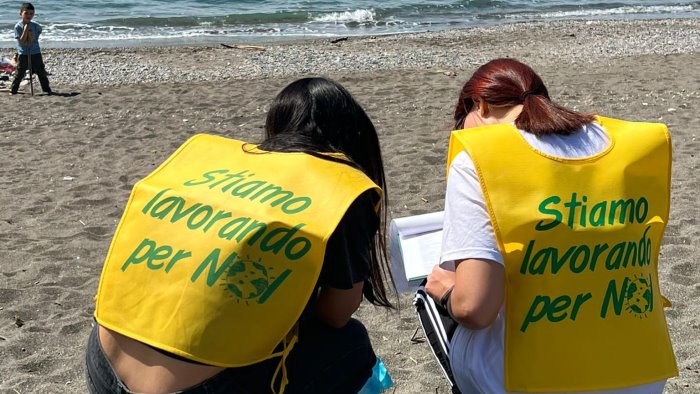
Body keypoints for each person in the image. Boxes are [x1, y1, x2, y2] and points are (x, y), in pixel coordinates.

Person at [85, 77, 395, 394]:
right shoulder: (340, 190)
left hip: (103, 361)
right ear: (355, 137)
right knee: (350, 343)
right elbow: (336, 314)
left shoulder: (224, 171)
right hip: (194, 388)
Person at [425, 58, 678, 393]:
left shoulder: (479, 158)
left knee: (438, 299)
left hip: (531, 378)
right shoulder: (635, 146)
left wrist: (445, 292)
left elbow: (475, 308)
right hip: (640, 371)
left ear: (479, 105)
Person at [11, 2, 51, 95]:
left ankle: (46, 89)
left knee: (40, 71)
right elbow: (21, 42)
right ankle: (13, 90)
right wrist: (25, 30)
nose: (29, 15)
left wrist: (33, 37)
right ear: (21, 14)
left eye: (31, 13)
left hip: (35, 51)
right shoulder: (18, 26)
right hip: (23, 53)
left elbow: (38, 33)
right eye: (26, 13)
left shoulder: (35, 25)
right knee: (20, 72)